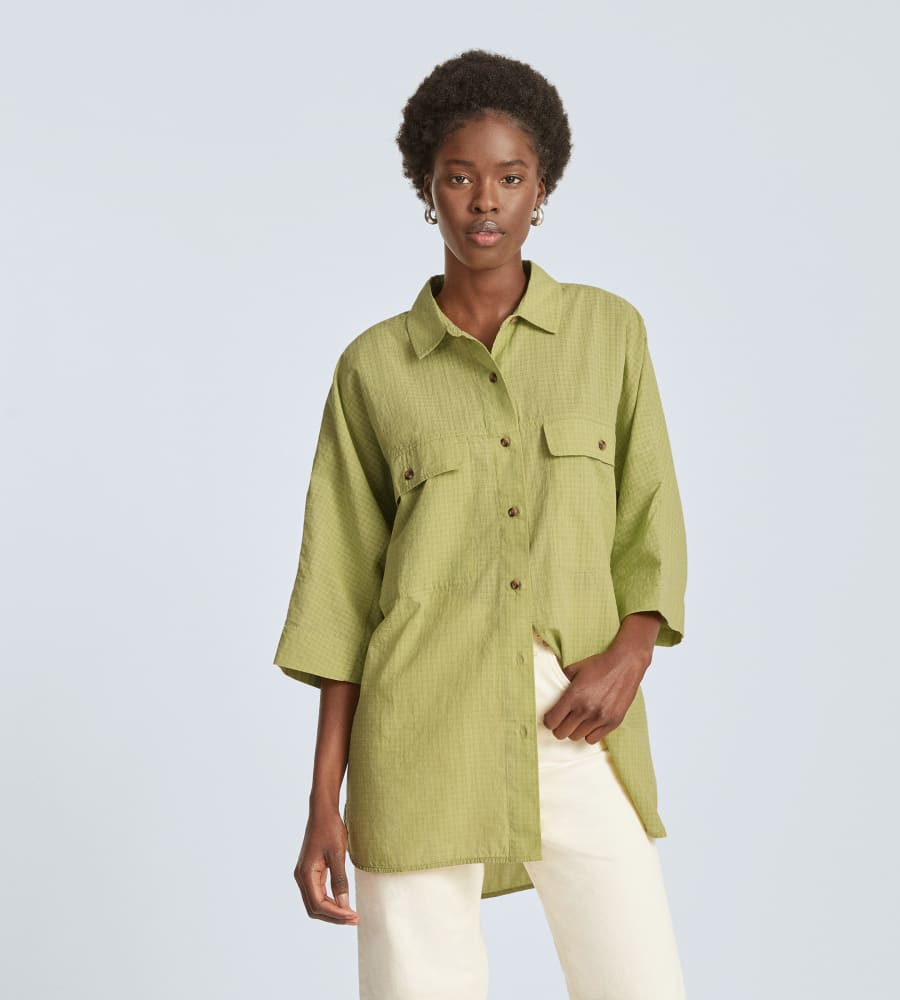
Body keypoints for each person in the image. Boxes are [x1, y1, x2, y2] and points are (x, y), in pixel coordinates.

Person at [272, 48, 689, 1000]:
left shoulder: (610, 334)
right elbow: (341, 596)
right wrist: (324, 803)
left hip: (574, 713)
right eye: (459, 178)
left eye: (510, 177)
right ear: (427, 190)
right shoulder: (374, 368)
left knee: (640, 981)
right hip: (417, 726)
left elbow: (650, 520)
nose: (485, 201)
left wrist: (631, 653)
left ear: (544, 189)